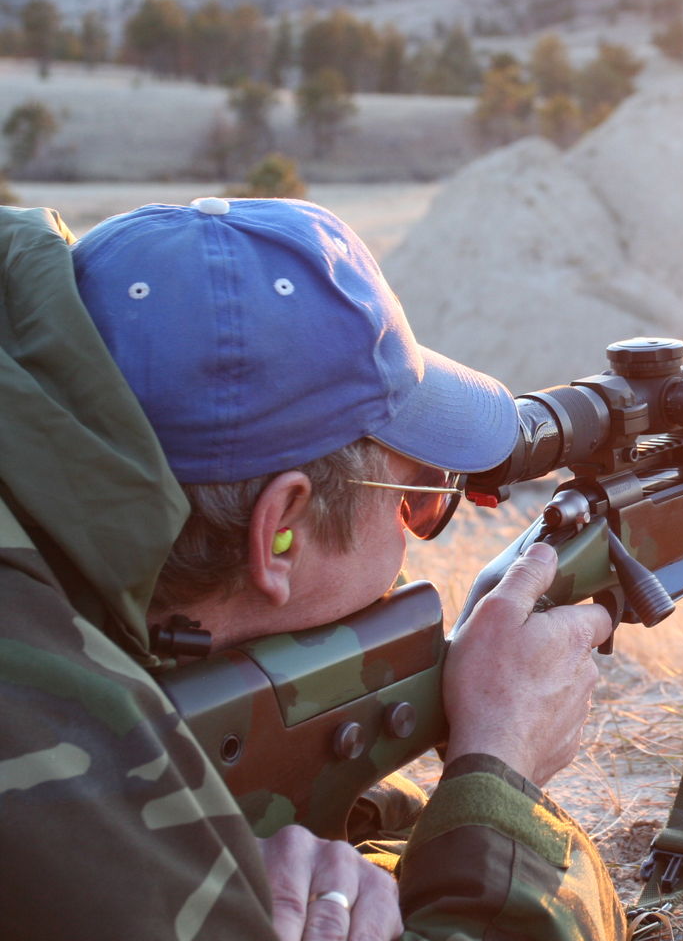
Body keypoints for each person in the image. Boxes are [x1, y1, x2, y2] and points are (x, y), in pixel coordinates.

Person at [0, 199, 626, 940]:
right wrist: (501, 767)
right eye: (419, 500)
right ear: (281, 532)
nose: (415, 541)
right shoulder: (42, 721)